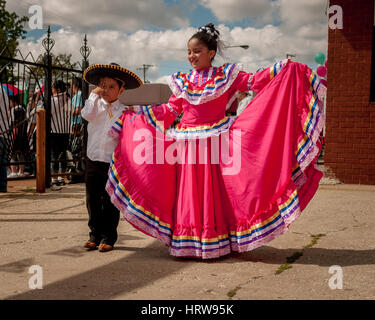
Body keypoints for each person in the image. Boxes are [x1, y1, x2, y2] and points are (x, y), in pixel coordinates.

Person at [106, 23, 326, 259]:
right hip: (187, 145)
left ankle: (215, 239)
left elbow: (254, 81)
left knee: (218, 192)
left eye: (197, 51)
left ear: (211, 53)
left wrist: (283, 68)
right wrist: (137, 114)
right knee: (190, 193)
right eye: (189, 52)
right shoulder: (183, 80)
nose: (192, 56)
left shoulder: (226, 75)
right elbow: (171, 110)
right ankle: (190, 240)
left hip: (216, 143)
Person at [81, 63, 143, 252]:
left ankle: (108, 237)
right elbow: (86, 114)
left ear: (121, 89)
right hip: (92, 159)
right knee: (92, 199)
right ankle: (94, 234)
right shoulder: (94, 105)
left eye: (111, 87)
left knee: (110, 201)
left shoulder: (123, 111)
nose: (106, 90)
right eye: (103, 85)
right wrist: (93, 94)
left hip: (112, 164)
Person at [50, 80, 71, 185]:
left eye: (53, 88)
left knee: (54, 156)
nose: (51, 90)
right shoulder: (68, 99)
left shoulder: (53, 101)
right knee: (62, 156)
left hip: (54, 131)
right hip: (65, 131)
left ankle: (54, 179)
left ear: (57, 90)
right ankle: (61, 177)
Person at [8, 94, 28, 178]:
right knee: (21, 154)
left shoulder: (13, 110)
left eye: (10, 102)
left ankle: (13, 172)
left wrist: (13, 136)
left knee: (12, 153)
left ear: (13, 102)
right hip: (23, 135)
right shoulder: (23, 109)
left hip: (15, 134)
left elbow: (14, 124)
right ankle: (21, 171)